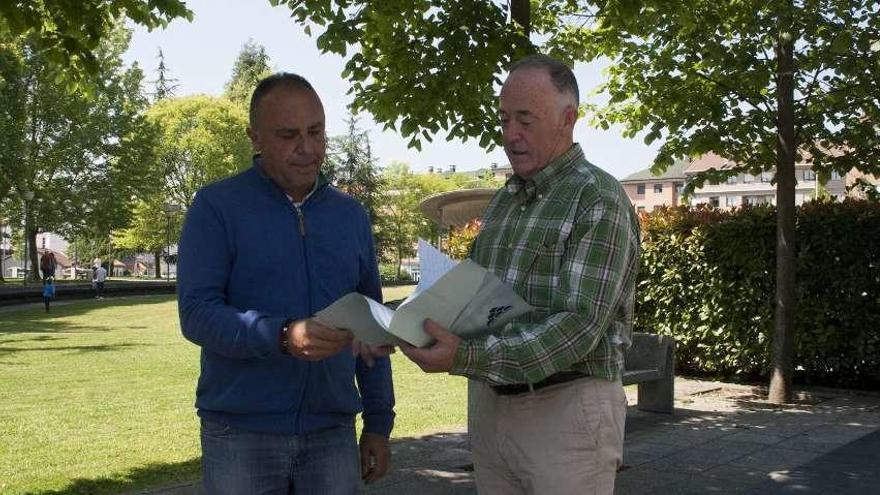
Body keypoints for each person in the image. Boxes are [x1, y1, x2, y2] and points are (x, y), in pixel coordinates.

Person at [401, 55, 641, 494]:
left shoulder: (598, 198)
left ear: (568, 119)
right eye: (504, 117)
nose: (510, 134)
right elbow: (467, 295)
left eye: (525, 119)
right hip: (492, 405)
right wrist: (404, 327)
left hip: (567, 409)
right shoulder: (506, 199)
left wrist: (466, 357)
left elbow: (579, 326)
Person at [177, 72, 395, 494]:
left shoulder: (350, 216)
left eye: (316, 132)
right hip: (240, 433)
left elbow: (371, 326)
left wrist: (379, 422)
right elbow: (197, 315)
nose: (308, 149)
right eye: (288, 135)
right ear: (254, 138)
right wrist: (281, 334)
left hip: (332, 432)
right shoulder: (216, 207)